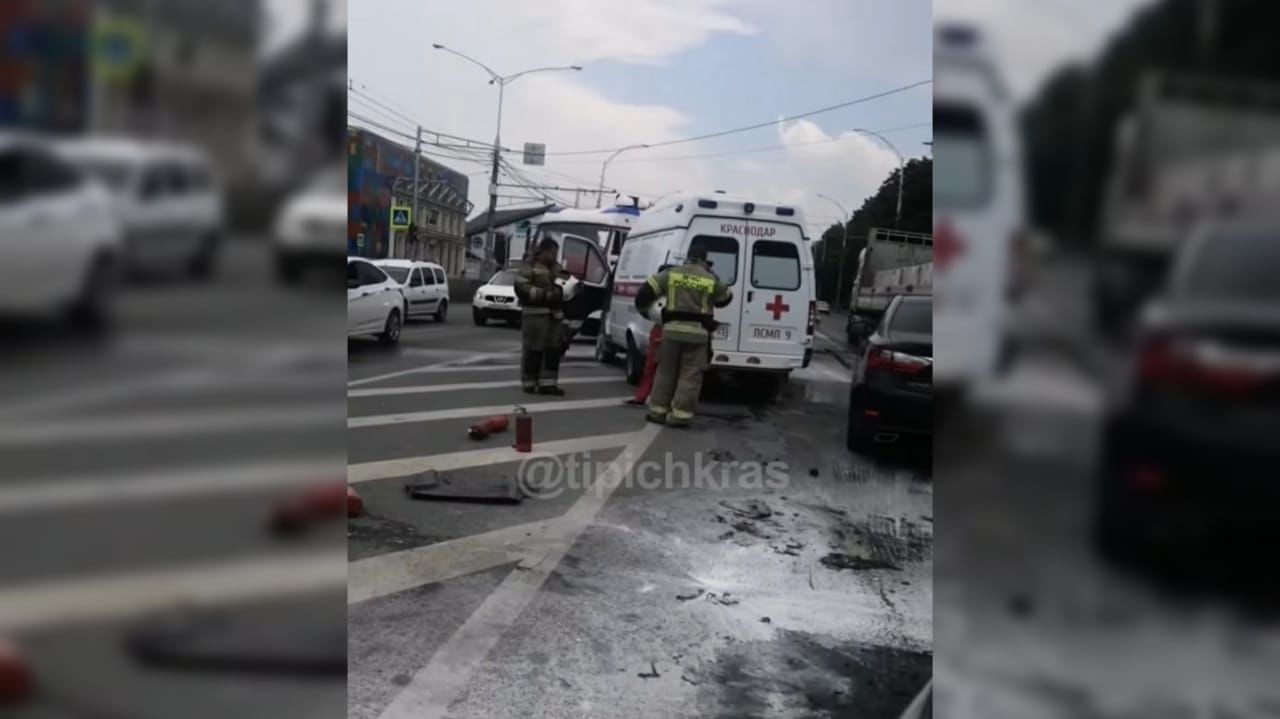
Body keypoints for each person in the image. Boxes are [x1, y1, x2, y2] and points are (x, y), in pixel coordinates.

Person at [634, 247, 732, 427]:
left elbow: (644, 293)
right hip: (698, 334)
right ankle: (680, 415)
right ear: (704, 259)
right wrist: (712, 274)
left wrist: (647, 313)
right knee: (690, 375)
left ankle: (657, 412)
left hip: (671, 331)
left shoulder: (671, 274)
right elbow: (725, 298)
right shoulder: (709, 278)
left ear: (687, 257)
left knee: (665, 372)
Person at [514, 238, 566, 395]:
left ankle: (548, 384)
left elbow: (565, 283)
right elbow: (521, 286)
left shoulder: (557, 267)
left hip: (554, 316)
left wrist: (568, 290)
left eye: (556, 253)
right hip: (535, 315)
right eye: (552, 253)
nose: (555, 256)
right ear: (543, 251)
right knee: (533, 349)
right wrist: (544, 295)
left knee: (553, 350)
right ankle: (529, 382)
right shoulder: (529, 265)